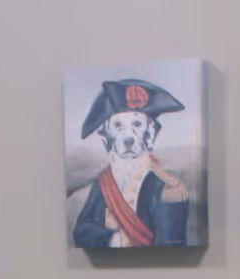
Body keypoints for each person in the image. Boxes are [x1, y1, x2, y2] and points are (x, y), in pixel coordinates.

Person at [69, 79, 190, 249]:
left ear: (150, 132)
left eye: (137, 124)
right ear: (107, 134)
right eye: (118, 125)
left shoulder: (162, 188)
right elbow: (82, 233)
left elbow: (173, 246)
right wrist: (113, 240)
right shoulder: (102, 184)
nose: (128, 136)